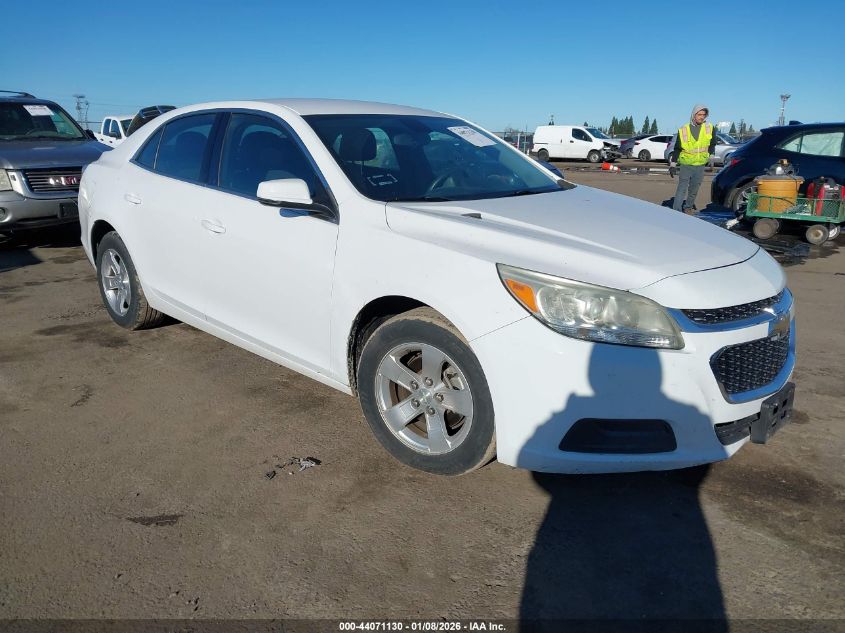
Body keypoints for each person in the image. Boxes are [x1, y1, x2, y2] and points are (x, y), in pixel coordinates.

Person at [669, 104, 717, 214]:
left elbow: (712, 144)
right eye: (699, 114)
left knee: (694, 189)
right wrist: (673, 165)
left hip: (700, 164)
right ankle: (676, 211)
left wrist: (711, 159)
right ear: (693, 115)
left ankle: (688, 208)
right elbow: (677, 148)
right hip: (686, 164)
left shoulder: (709, 128)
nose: (702, 117)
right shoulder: (684, 129)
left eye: (703, 115)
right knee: (682, 188)